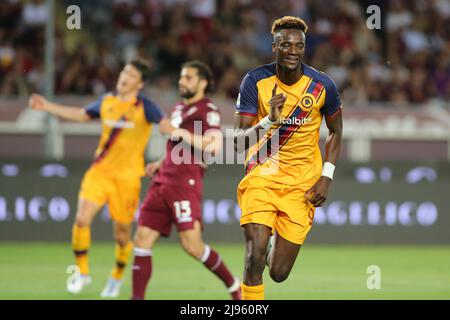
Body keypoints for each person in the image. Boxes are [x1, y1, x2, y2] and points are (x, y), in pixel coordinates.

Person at [29, 58, 174, 298]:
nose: (124, 78)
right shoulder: (107, 101)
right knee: (82, 219)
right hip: (99, 172)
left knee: (122, 235)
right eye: (124, 73)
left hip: (127, 178)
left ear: (139, 84)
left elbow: (165, 123)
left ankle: (116, 277)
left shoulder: (145, 107)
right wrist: (48, 106)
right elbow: (82, 114)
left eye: (131, 76)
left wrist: (171, 128)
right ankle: (83, 272)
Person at [233, 16, 343, 300]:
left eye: (298, 45)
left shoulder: (323, 86)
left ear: (304, 48)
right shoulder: (255, 81)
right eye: (285, 45)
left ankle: (270, 247)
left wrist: (326, 176)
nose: (292, 50)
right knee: (253, 256)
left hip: (302, 186)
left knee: (278, 273)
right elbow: (239, 139)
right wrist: (270, 121)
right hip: (262, 177)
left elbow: (336, 131)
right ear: (274, 48)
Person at [131, 60, 241, 300]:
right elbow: (179, 145)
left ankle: (234, 286)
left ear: (203, 83)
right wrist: (161, 162)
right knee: (142, 239)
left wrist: (176, 132)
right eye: (181, 77)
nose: (182, 81)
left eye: (188, 77)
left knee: (192, 246)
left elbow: (213, 146)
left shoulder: (207, 110)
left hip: (184, 183)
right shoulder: (179, 109)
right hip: (162, 180)